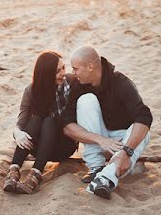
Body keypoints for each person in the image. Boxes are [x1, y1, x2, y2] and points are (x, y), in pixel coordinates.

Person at [62, 46, 152, 200]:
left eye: (76, 68)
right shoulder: (78, 86)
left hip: (122, 143)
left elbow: (144, 117)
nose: (73, 73)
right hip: (100, 142)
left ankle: (106, 177)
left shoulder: (121, 82)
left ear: (90, 67)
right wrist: (101, 140)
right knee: (86, 100)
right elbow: (67, 126)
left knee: (144, 132)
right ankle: (97, 168)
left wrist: (125, 152)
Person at [3, 50, 78, 194]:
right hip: (39, 148)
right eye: (57, 71)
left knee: (49, 120)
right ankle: (13, 171)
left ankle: (35, 175)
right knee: (36, 119)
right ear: (46, 75)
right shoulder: (32, 90)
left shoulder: (72, 84)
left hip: (64, 146)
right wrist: (17, 133)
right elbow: (22, 118)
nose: (63, 73)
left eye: (63, 68)